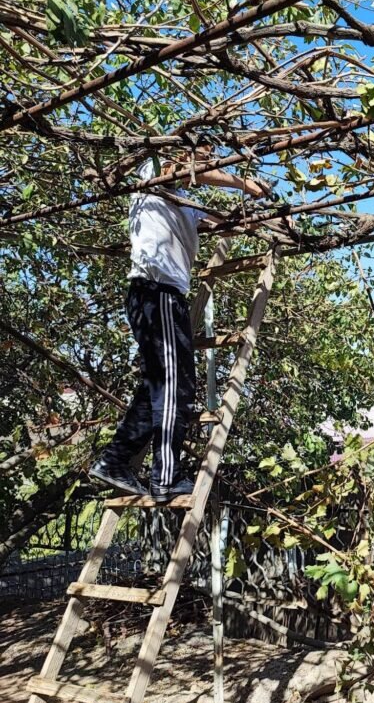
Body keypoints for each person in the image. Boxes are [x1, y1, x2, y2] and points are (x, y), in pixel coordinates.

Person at [90, 147, 270, 503]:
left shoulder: (178, 201)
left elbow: (203, 220)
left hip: (159, 296)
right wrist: (246, 184)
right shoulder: (156, 171)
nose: (209, 160)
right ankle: (166, 479)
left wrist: (244, 220)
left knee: (156, 386)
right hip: (158, 293)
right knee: (176, 386)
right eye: (203, 154)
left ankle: (114, 462)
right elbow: (184, 167)